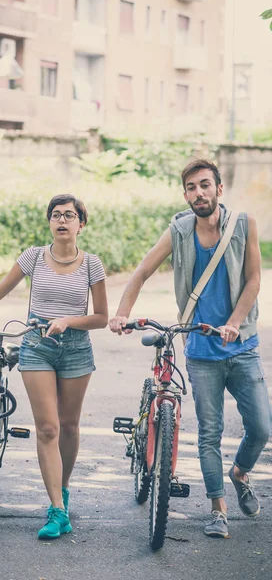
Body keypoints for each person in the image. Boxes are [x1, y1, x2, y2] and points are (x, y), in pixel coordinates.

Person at [109, 159, 271, 538]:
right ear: (185, 194)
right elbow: (142, 272)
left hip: (241, 344)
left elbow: (253, 280)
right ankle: (218, 509)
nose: (199, 193)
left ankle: (240, 473)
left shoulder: (244, 225)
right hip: (200, 351)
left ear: (218, 189)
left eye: (205, 185)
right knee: (209, 433)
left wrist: (234, 322)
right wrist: (121, 314)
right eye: (191, 188)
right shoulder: (180, 230)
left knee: (262, 427)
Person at [0, 194, 108, 540]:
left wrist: (67, 320)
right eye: (55, 215)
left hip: (76, 349)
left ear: (82, 223)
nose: (61, 221)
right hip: (36, 347)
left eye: (69, 215)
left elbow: (101, 318)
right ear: (49, 222)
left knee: (69, 426)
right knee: (47, 428)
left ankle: (62, 489)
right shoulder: (33, 257)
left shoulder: (92, 264)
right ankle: (57, 510)